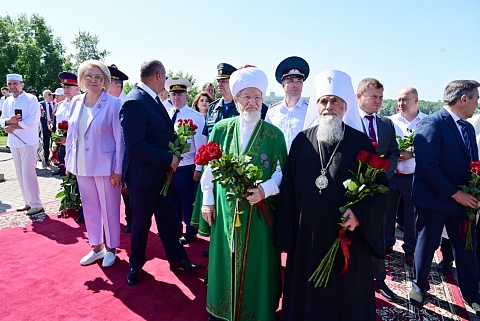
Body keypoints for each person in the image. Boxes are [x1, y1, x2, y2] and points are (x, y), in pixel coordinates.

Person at [275, 70, 387, 321]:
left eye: (336, 101)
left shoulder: (360, 142)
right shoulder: (302, 141)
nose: (329, 107)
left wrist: (359, 214)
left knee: (343, 298)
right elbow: (289, 191)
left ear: (346, 106)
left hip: (345, 236)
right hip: (307, 238)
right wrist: (287, 235)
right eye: (324, 101)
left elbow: (379, 190)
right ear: (316, 105)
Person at [200, 67, 287, 321]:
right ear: (236, 100)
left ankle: (256, 312)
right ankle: (222, 310)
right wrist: (207, 200)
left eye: (257, 97)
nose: (252, 103)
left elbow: (282, 174)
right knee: (225, 258)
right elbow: (209, 168)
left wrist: (264, 190)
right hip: (226, 212)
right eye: (246, 97)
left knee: (257, 265)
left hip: (260, 214)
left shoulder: (274, 135)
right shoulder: (221, 129)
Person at [120, 59, 202, 287]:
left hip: (162, 177)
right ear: (158, 76)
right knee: (140, 224)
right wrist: (170, 158)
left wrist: (177, 146)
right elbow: (135, 145)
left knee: (167, 221)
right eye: (164, 78)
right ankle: (136, 263)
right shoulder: (134, 102)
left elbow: (159, 135)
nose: (165, 83)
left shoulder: (153, 100)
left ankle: (177, 258)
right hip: (143, 178)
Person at [409, 80, 480, 315]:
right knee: (427, 244)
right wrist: (455, 193)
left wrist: (472, 189)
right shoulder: (431, 124)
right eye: (476, 98)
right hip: (434, 200)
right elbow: (427, 166)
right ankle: (419, 285)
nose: (477, 104)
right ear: (464, 99)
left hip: (463, 203)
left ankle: (471, 293)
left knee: (467, 248)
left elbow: (472, 165)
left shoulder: (468, 128)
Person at [64, 60, 124, 267]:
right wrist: (69, 163)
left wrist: (118, 170)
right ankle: (96, 246)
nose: (93, 80)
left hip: (106, 167)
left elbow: (120, 139)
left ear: (105, 81)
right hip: (81, 164)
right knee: (89, 208)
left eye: (98, 77)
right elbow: (72, 135)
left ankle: (111, 248)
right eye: (89, 76)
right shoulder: (76, 102)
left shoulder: (114, 103)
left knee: (109, 209)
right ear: (81, 79)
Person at [348, 77, 399, 302]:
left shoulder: (386, 124)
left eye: (381, 97)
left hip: (379, 190)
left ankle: (379, 279)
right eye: (373, 96)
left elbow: (394, 153)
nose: (378, 101)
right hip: (350, 190)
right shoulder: (348, 121)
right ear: (359, 97)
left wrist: (381, 177)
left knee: (376, 233)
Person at [386, 87, 426, 267]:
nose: (401, 104)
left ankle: (410, 249)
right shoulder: (390, 121)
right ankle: (386, 243)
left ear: (416, 100)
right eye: (399, 100)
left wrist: (413, 153)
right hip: (392, 174)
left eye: (405, 100)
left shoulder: (426, 122)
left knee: (412, 215)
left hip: (413, 176)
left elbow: (431, 148)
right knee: (387, 212)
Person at [165, 76, 206, 245]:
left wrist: (198, 168)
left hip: (187, 167)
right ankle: (175, 229)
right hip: (169, 167)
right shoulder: (166, 115)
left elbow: (201, 146)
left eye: (180, 94)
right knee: (172, 200)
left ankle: (190, 230)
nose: (176, 98)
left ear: (187, 96)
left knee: (187, 201)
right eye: (173, 95)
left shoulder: (195, 117)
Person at [0, 74, 44, 215]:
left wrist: (14, 126)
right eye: (10, 84)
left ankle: (36, 204)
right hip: (13, 142)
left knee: (28, 173)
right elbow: (2, 119)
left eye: (15, 83)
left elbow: (33, 120)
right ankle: (27, 202)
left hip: (28, 142)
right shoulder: (7, 101)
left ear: (22, 85)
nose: (13, 87)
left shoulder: (31, 99)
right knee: (19, 174)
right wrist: (8, 122)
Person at [107, 64, 132, 233]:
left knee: (128, 193)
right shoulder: (106, 102)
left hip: (126, 156)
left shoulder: (127, 103)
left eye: (107, 82)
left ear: (117, 85)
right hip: (109, 155)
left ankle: (131, 219)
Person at [265, 56, 310, 151]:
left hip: (301, 163)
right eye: (291, 81)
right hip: (277, 164)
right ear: (283, 85)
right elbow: (267, 140)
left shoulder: (310, 111)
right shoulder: (272, 111)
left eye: (299, 81)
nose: (296, 85)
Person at [52, 72, 79, 176]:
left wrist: (68, 140)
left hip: (77, 147)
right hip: (62, 147)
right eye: (64, 87)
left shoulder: (84, 105)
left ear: (77, 88)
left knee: (77, 179)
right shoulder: (60, 106)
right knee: (64, 176)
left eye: (69, 87)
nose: (66, 90)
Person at [203, 63, 238, 136]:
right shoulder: (212, 108)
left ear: (233, 83)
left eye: (223, 81)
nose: (219, 84)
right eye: (218, 81)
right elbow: (207, 137)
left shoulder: (241, 106)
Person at [39, 89, 54, 167]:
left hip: (54, 127)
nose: (51, 96)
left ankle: (55, 159)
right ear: (44, 96)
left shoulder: (56, 104)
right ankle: (46, 159)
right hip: (44, 127)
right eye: (49, 94)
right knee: (45, 143)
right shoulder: (40, 104)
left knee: (54, 144)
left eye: (51, 94)